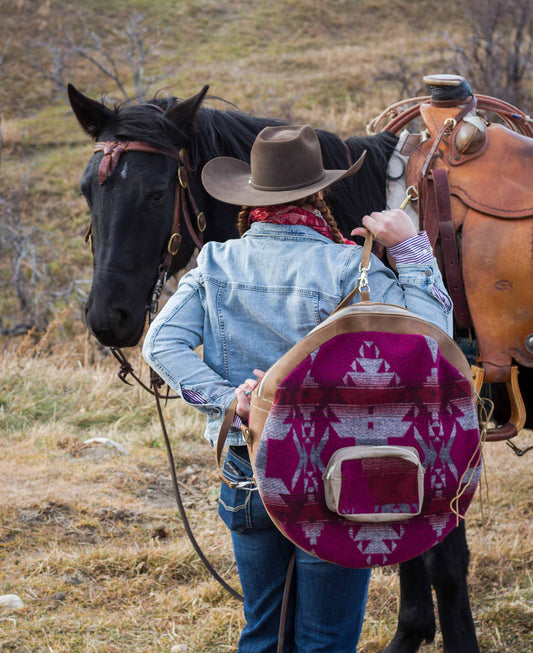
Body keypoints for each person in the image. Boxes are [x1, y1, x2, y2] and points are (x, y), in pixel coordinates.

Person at [143, 124, 452, 653]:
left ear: (251, 196)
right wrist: (412, 249)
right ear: (319, 193)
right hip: (338, 471)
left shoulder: (215, 263)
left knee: (263, 631)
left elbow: (159, 346)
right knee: (325, 640)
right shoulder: (352, 269)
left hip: (248, 467)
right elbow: (432, 342)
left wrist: (230, 401)